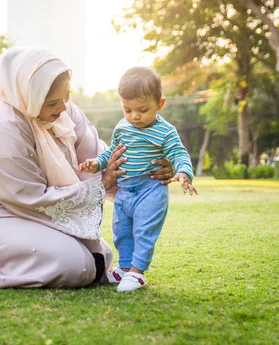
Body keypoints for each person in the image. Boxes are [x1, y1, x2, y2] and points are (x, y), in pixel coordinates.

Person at [0, 48, 175, 288]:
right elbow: (27, 197)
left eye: (66, 96)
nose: (62, 108)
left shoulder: (64, 109)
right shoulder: (0, 127)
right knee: (75, 265)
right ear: (28, 95)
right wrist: (101, 184)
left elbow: (100, 155)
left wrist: (151, 165)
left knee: (98, 258)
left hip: (31, 208)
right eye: (52, 103)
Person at [79, 66, 198, 292]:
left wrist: (183, 172)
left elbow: (178, 153)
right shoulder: (122, 127)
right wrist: (97, 162)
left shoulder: (165, 131)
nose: (134, 116)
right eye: (127, 109)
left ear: (160, 104)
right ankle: (124, 268)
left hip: (150, 188)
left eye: (143, 110)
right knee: (121, 230)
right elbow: (113, 151)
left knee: (143, 230)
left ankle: (138, 272)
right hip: (125, 191)